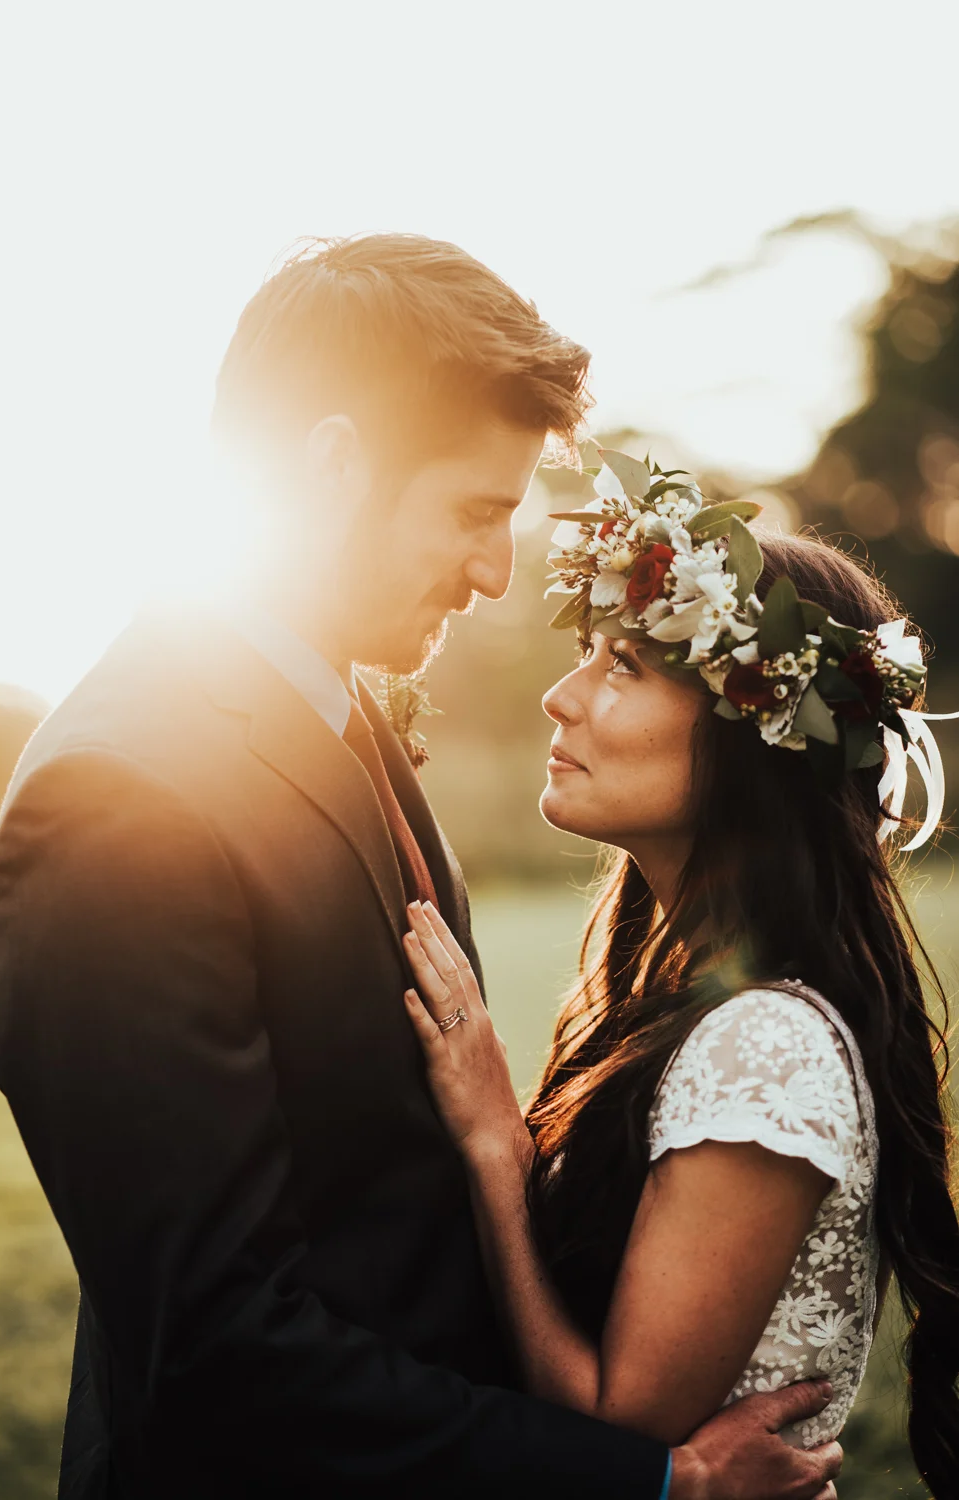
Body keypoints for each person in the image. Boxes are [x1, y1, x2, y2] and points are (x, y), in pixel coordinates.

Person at [0, 237, 842, 1499]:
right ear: (331, 465)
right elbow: (222, 1349)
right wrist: (653, 1487)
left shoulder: (338, 712)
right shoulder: (123, 799)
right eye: (474, 513)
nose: (497, 574)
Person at [400, 453, 959, 1500]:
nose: (558, 698)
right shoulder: (677, 1005)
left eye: (622, 667)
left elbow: (618, 1423)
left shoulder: (766, 1043)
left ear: (755, 731)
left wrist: (489, 1145)